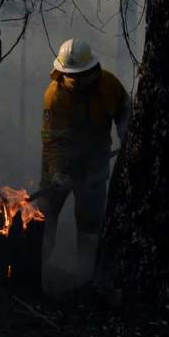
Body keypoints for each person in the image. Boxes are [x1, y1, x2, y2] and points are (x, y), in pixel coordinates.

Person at [37, 38, 130, 275]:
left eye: (80, 74)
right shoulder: (55, 97)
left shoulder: (109, 85)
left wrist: (126, 132)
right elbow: (53, 142)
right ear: (60, 72)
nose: (75, 80)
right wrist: (57, 172)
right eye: (70, 75)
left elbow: (124, 108)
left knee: (90, 221)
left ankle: (86, 274)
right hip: (59, 164)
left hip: (94, 164)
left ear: (92, 70)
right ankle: (38, 266)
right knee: (45, 214)